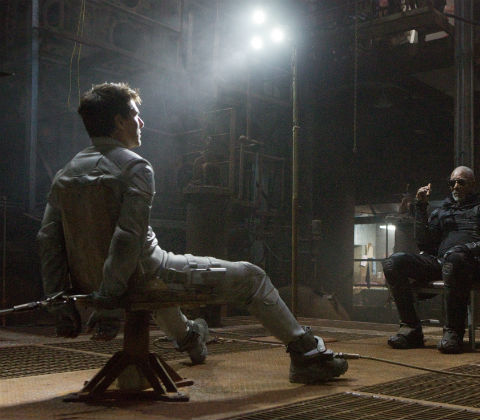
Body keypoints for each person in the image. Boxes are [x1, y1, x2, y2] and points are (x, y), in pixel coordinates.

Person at [37, 82, 348, 384]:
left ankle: (191, 338)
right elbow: (127, 238)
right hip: (139, 275)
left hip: (92, 283)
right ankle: (307, 355)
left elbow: (48, 240)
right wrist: (108, 299)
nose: (141, 123)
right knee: (251, 277)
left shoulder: (65, 173)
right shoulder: (135, 167)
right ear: (119, 121)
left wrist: (58, 300)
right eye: (135, 115)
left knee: (157, 281)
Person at [381, 166, 480, 353]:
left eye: (461, 182)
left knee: (454, 260)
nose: (456, 186)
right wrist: (421, 207)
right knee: (393, 263)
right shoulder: (443, 210)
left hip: (471, 265)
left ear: (472, 184)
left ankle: (453, 332)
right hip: (442, 261)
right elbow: (424, 243)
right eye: (452, 183)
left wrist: (467, 248)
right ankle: (411, 329)